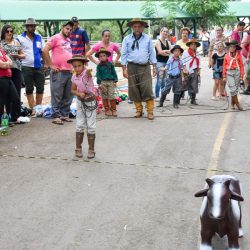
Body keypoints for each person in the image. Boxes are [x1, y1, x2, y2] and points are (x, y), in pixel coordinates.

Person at [121, 18, 157, 120]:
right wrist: (124, 69)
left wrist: (154, 67)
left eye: (139, 26)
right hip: (131, 66)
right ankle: (138, 110)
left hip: (144, 66)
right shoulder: (127, 39)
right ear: (132, 27)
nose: (137, 28)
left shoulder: (147, 39)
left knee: (147, 88)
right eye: (135, 26)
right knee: (134, 89)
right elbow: (124, 54)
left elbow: (152, 53)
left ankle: (150, 111)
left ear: (142, 28)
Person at [43, 20, 74, 125]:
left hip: (69, 71)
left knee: (68, 94)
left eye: (70, 29)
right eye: (67, 28)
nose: (69, 31)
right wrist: (50, 64)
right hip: (59, 71)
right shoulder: (55, 38)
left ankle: (65, 115)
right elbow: (45, 50)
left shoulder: (69, 40)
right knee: (57, 94)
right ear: (62, 27)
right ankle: (56, 116)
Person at [68, 55, 96, 159]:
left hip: (90, 102)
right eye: (74, 66)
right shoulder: (74, 76)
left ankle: (91, 149)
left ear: (83, 65)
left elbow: (89, 70)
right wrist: (79, 94)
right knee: (80, 125)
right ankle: (78, 148)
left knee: (91, 126)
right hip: (80, 102)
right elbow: (73, 90)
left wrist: (88, 69)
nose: (77, 68)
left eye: (79, 66)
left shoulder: (87, 73)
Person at [17, 18, 45, 111]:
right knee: (29, 88)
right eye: (30, 26)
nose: (32, 27)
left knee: (40, 87)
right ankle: (33, 108)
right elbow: (16, 52)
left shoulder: (39, 37)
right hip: (26, 66)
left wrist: (46, 63)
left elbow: (43, 51)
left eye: (34, 26)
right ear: (26, 27)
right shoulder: (20, 38)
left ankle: (38, 108)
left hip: (38, 66)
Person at [0, 24, 25, 123]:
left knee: (16, 93)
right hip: (4, 71)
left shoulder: (16, 42)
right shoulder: (1, 43)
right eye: (7, 31)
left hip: (16, 68)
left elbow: (24, 54)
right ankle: (7, 116)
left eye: (11, 31)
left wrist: (18, 55)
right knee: (5, 94)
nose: (9, 33)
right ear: (4, 32)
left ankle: (16, 116)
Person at [96, 48, 118, 116]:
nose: (102, 57)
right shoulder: (99, 66)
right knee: (104, 96)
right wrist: (99, 83)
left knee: (112, 96)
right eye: (101, 56)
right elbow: (98, 75)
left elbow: (114, 72)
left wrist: (115, 80)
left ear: (107, 56)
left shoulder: (110, 64)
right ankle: (107, 109)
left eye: (104, 55)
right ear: (99, 58)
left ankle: (113, 109)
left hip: (111, 81)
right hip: (103, 82)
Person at [223, 40, 244, 110]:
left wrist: (241, 75)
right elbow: (224, 66)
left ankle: (232, 103)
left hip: (237, 72)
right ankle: (238, 104)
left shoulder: (239, 55)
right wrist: (224, 76)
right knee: (232, 89)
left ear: (235, 48)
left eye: (233, 47)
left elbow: (241, 65)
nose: (231, 48)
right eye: (230, 46)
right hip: (229, 73)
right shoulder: (226, 56)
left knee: (235, 90)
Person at [0, 49, 20, 123]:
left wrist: (7, 64)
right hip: (1, 78)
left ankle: (11, 118)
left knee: (15, 98)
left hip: (8, 78)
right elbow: (2, 65)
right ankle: (2, 121)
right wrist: (7, 64)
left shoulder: (1, 51)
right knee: (2, 101)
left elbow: (11, 62)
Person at [154, 27, 172, 101]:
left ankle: (163, 95)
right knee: (160, 79)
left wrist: (165, 52)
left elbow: (171, 52)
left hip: (167, 62)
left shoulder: (168, 42)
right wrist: (167, 52)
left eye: (167, 32)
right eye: (164, 31)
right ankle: (157, 96)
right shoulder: (158, 42)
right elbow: (159, 52)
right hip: (159, 62)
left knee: (165, 80)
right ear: (161, 32)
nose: (165, 33)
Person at [182, 38, 201, 105]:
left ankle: (193, 99)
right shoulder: (185, 52)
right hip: (187, 70)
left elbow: (199, 62)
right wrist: (185, 69)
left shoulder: (197, 53)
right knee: (184, 84)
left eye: (194, 45)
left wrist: (199, 71)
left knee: (194, 85)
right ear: (189, 45)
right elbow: (183, 62)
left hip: (195, 70)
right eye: (192, 44)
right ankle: (178, 98)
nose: (193, 46)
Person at [241, 28, 250, 94]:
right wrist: (247, 56)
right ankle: (246, 89)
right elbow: (242, 46)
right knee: (246, 73)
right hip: (245, 57)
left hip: (247, 56)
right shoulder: (248, 37)